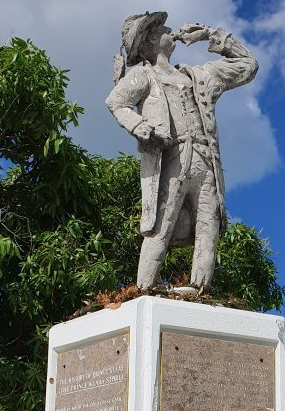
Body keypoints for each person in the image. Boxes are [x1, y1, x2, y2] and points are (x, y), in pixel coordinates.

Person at [105, 12, 258, 289]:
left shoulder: (199, 76)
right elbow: (116, 102)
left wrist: (209, 35)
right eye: (164, 28)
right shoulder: (144, 75)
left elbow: (248, 65)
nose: (170, 30)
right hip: (171, 159)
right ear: (151, 39)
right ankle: (143, 289)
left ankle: (201, 291)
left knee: (208, 230)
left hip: (205, 162)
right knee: (159, 228)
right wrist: (139, 126)